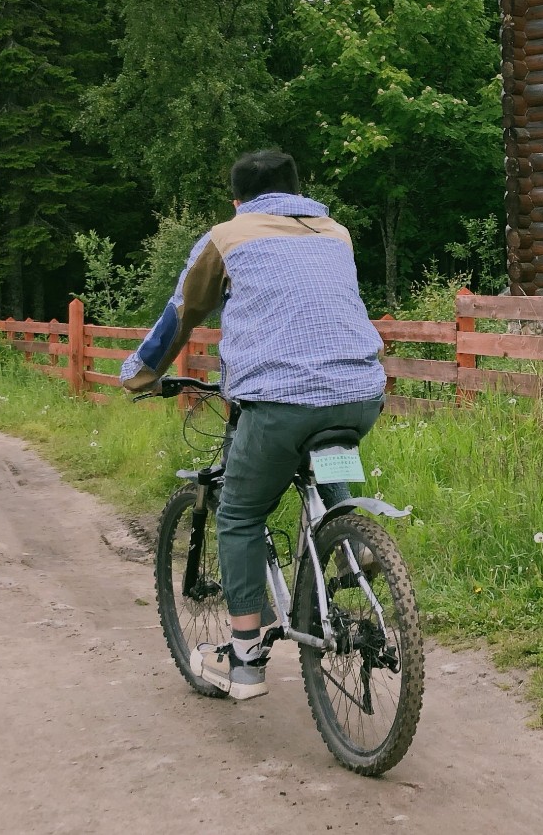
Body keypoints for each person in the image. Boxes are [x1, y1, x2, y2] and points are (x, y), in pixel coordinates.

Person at [119, 149, 387, 701]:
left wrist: (140, 376)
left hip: (278, 402)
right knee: (321, 444)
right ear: (298, 188)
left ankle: (244, 658)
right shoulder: (335, 232)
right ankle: (346, 537)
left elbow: (182, 314)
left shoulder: (228, 236)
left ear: (238, 201)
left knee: (239, 512)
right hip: (362, 394)